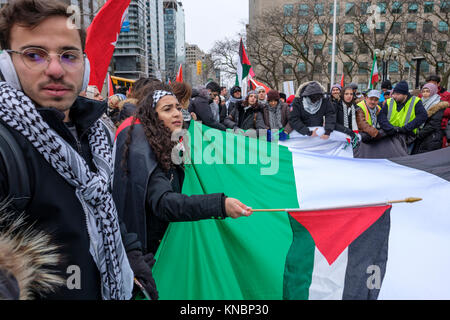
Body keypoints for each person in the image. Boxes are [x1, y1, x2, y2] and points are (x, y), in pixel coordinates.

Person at [0, 0, 155, 300]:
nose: (56, 69)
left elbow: (102, 205)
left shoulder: (96, 134)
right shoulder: (7, 147)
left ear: (84, 66)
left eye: (69, 56)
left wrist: (131, 256)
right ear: (6, 64)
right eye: (35, 55)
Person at [112, 83, 252, 275]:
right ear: (152, 116)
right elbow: (164, 202)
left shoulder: (164, 141)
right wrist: (220, 204)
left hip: (161, 245)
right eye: (167, 109)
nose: (177, 113)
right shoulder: (142, 146)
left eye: (178, 107)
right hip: (148, 253)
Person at [412, 83, 449, 154]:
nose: (425, 93)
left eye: (427, 91)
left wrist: (419, 134)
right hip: (421, 136)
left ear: (433, 91)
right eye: (423, 91)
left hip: (432, 137)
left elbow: (434, 123)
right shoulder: (420, 103)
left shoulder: (438, 105)